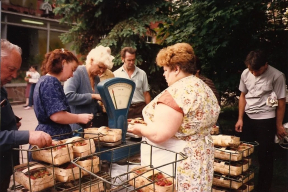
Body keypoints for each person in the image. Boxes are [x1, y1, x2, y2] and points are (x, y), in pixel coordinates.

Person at [128, 43, 220, 191]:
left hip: (181, 162)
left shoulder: (177, 93)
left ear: (176, 69)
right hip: (201, 157)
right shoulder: (203, 88)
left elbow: (160, 134)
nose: (164, 74)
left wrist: (139, 129)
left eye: (165, 70)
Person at [0, 39, 52, 191]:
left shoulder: (1, 87)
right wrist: (27, 136)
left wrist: (11, 122)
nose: (15, 74)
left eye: (17, 69)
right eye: (11, 69)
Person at [235, 50, 286, 192]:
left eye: (257, 70)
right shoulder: (246, 73)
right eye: (251, 70)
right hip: (247, 117)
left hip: (267, 119)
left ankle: (263, 188)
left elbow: (281, 102)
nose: (254, 73)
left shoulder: (277, 76)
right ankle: (240, 185)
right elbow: (243, 96)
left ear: (266, 65)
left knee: (265, 156)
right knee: (241, 152)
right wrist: (240, 118)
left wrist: (278, 125)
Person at [33, 48, 94, 140]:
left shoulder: (44, 80)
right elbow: (57, 116)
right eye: (72, 70)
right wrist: (79, 118)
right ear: (63, 63)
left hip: (49, 135)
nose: (72, 75)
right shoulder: (51, 82)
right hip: (53, 138)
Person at [64, 46, 114, 131]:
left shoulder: (96, 78)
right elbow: (67, 96)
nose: (101, 71)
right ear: (91, 61)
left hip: (90, 128)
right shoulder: (77, 72)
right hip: (76, 128)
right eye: (100, 67)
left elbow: (92, 104)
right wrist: (93, 96)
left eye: (104, 69)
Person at [113, 47, 151, 119]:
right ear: (123, 59)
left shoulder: (142, 73)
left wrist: (149, 110)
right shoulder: (116, 74)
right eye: (129, 60)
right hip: (123, 109)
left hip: (140, 109)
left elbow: (146, 93)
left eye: (133, 60)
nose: (131, 62)